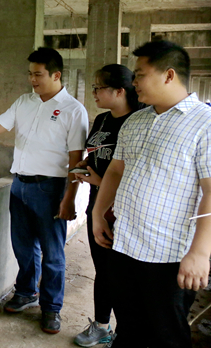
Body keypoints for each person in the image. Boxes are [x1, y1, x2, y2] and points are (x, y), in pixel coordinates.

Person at [0, 47, 88, 334]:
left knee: (53, 253)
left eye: (38, 74)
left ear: (56, 75)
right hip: (20, 185)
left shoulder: (73, 110)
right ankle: (27, 291)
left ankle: (52, 308)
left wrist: (69, 197)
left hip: (50, 187)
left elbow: (76, 160)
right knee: (24, 247)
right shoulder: (24, 102)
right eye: (30, 74)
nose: (32, 79)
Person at [91, 40, 211, 347]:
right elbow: (116, 170)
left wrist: (200, 252)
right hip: (125, 245)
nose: (133, 83)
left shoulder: (204, 123)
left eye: (140, 75)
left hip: (169, 256)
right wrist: (97, 213)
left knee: (166, 334)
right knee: (129, 328)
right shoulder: (135, 121)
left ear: (169, 75)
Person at [71, 64, 144, 347]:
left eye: (99, 87)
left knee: (124, 274)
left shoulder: (138, 122)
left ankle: (127, 332)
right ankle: (101, 325)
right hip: (97, 206)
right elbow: (94, 153)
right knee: (102, 270)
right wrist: (84, 166)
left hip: (124, 210)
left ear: (119, 91)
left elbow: (133, 172)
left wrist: (99, 179)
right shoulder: (101, 120)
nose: (94, 92)